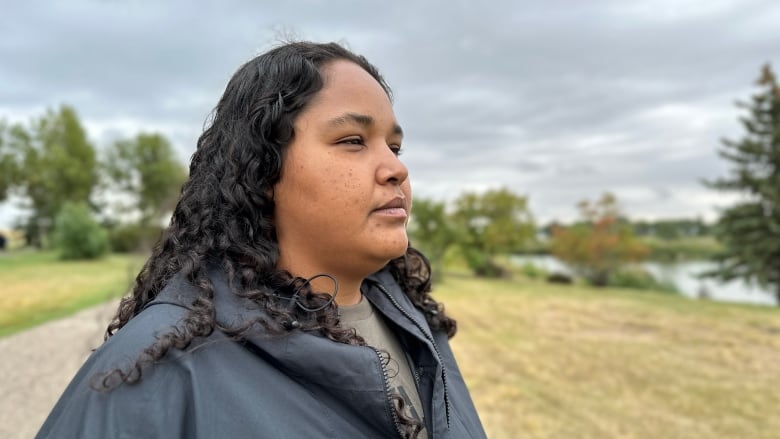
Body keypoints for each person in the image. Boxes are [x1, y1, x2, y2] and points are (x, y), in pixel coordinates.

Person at [36, 41, 486, 439]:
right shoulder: (157, 369)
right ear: (261, 168)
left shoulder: (416, 326)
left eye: (395, 146)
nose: (396, 169)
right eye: (352, 140)